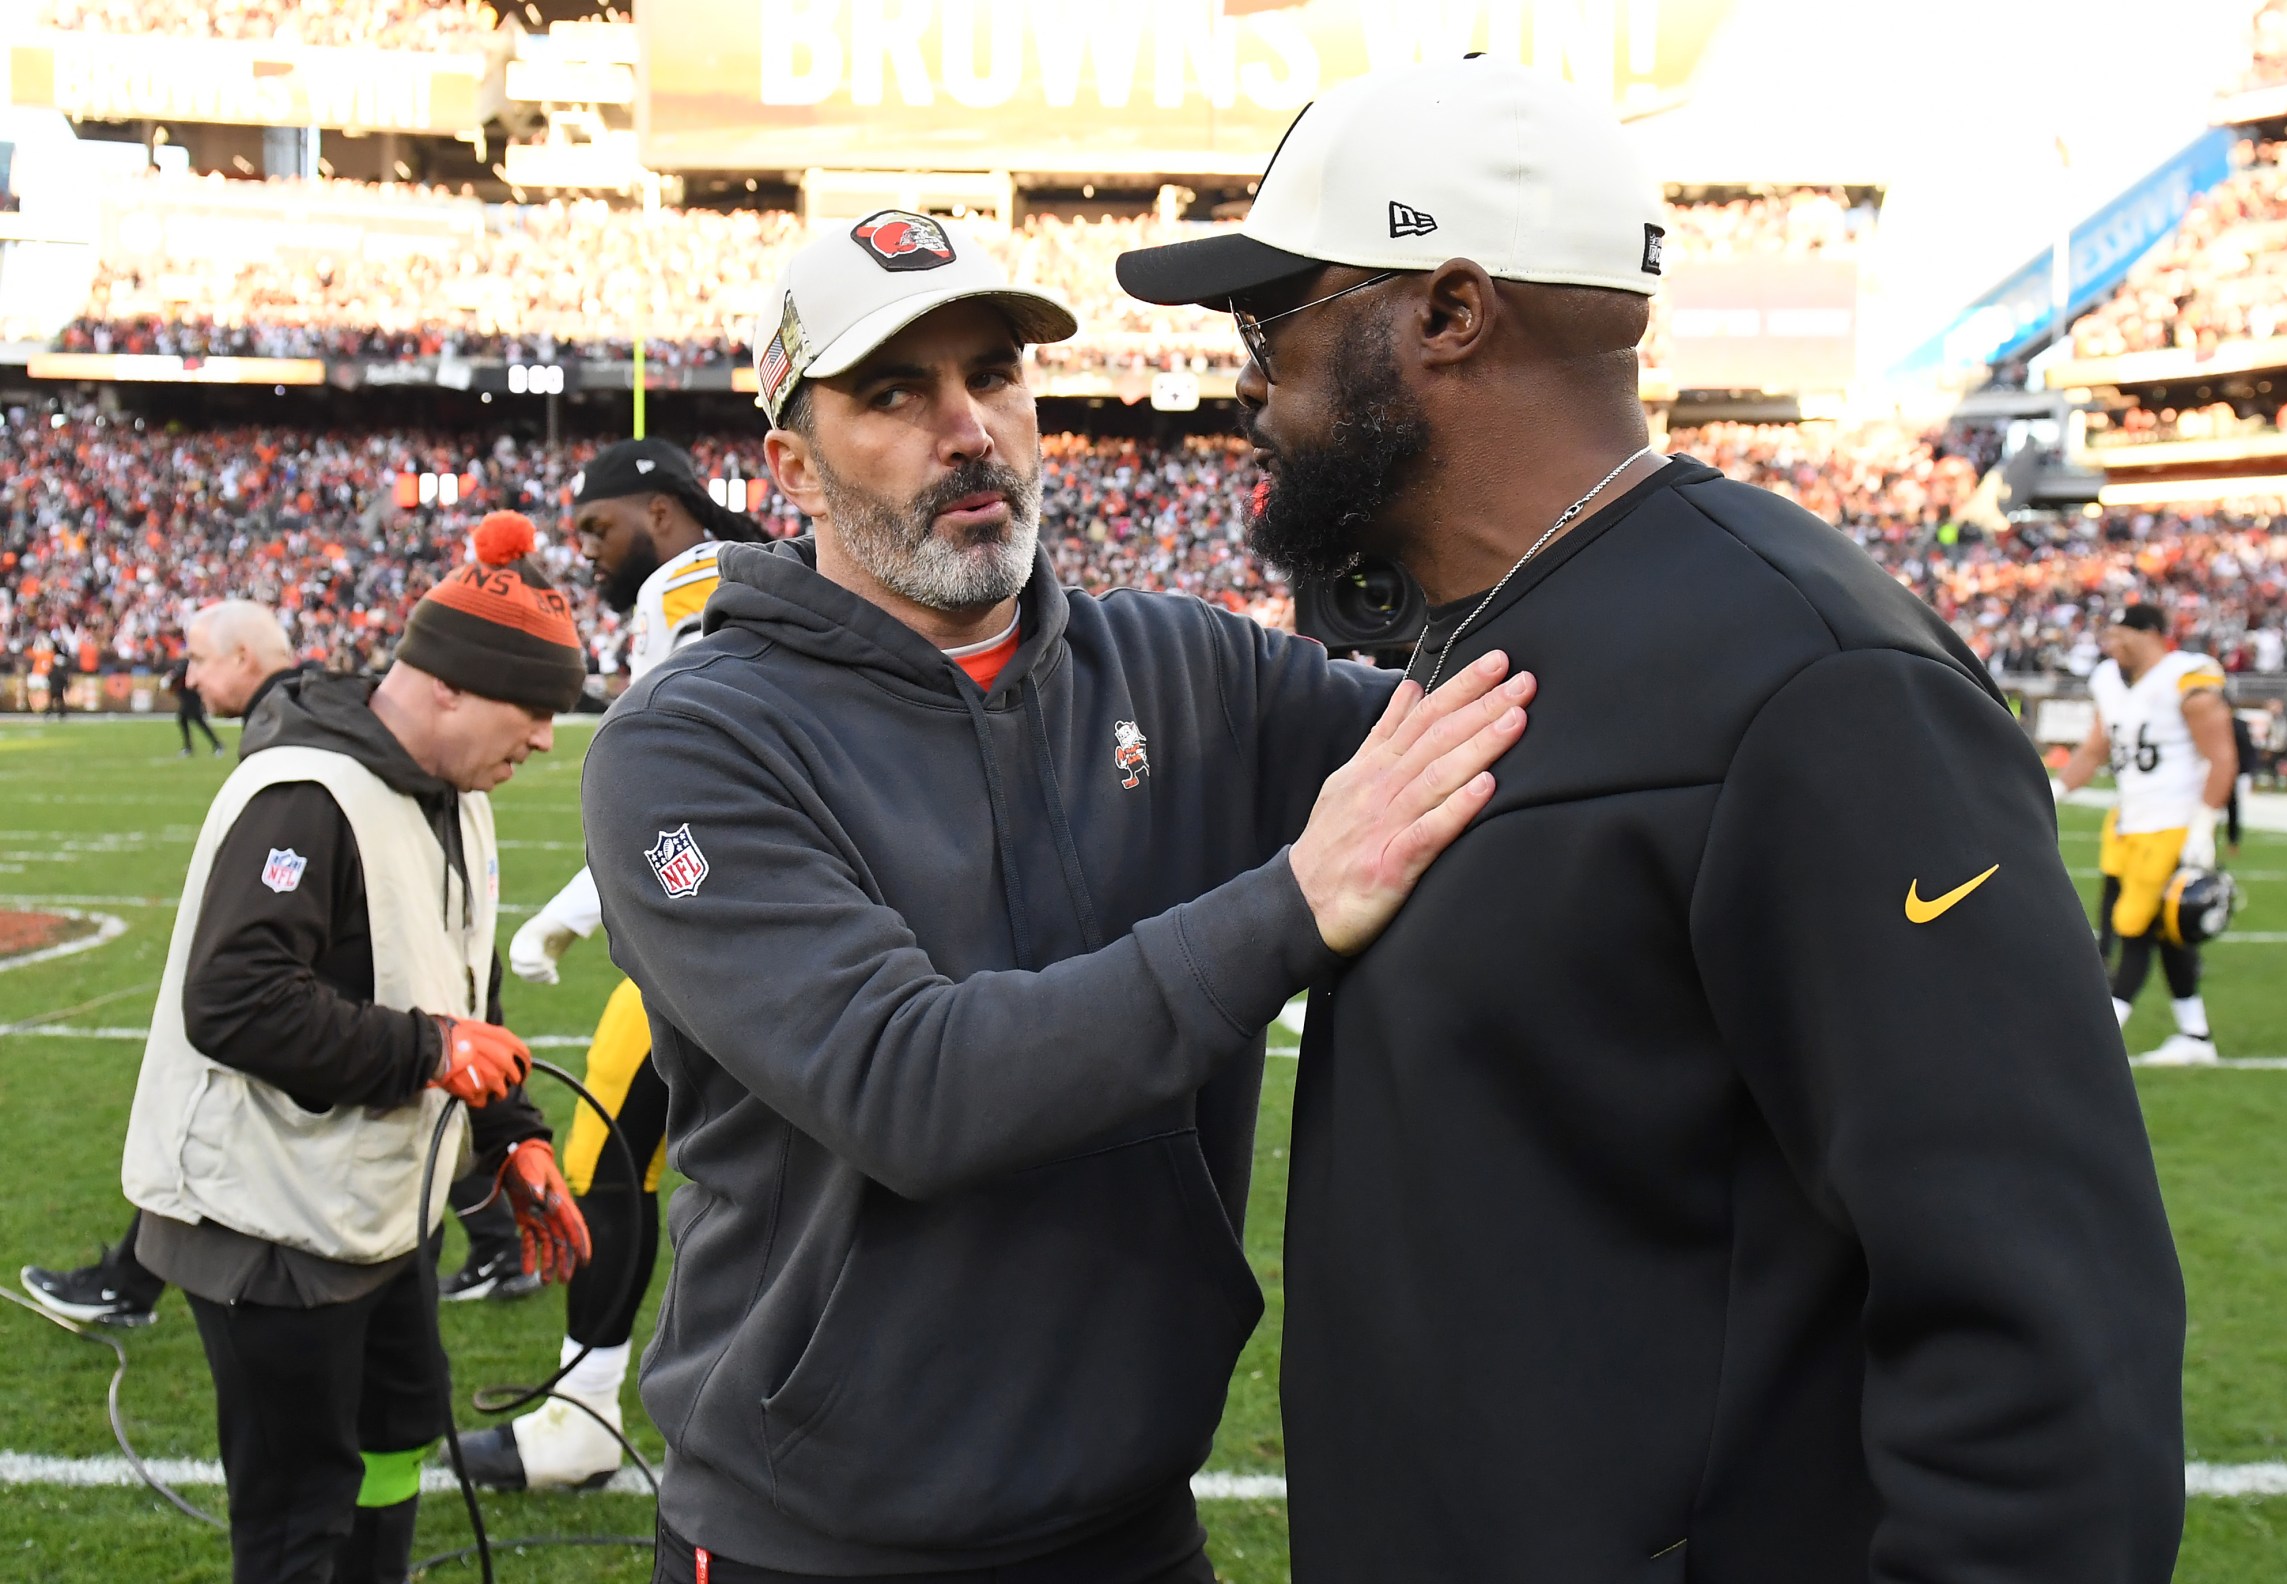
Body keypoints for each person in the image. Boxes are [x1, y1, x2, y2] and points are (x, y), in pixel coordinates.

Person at [1118, 58, 2186, 1584]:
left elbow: (2045, 1324)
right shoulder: (1494, 625)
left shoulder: (1814, 679)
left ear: (1449, 310)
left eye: (1273, 317)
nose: (1246, 378)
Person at [578, 215, 1531, 1582]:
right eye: (894, 393)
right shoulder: (693, 743)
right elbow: (913, 1087)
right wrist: (1296, 902)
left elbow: (1491, 743)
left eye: (993, 374)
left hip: (1131, 1523)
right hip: (823, 1544)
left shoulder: (1182, 667)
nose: (965, 428)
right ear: (790, 463)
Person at [117, 517, 594, 1584]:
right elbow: (234, 1000)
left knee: (393, 1449)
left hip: (376, 1213)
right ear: (449, 688)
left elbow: (462, 986)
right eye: (536, 710)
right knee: (300, 1512)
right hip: (267, 1223)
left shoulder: (455, 795)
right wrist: (430, 1050)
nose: (547, 740)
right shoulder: (306, 795)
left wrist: (510, 1138)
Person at [449, 439, 766, 1490]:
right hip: (796, 926)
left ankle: (580, 1420)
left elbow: (686, 787)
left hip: (723, 938)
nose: (583, 552)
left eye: (598, 527)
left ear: (669, 513)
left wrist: (576, 911)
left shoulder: (691, 582)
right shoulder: (783, 563)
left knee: (604, 1164)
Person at [22, 599, 297, 1328]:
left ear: (244, 658)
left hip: (299, 980)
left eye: (200, 659)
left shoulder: (297, 731)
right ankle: (129, 1282)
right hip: (312, 977)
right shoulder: (290, 720)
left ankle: (128, 1286)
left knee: (208, 1124)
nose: (188, 675)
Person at [2058, 603, 2238, 1064]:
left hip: (2172, 821)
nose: (2111, 644)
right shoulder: (2108, 680)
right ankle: (2196, 1036)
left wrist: (2203, 826)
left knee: (2133, 926)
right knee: (2164, 933)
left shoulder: (2188, 678)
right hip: (2128, 820)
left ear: (2150, 633)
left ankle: (2102, 1035)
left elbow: (2222, 758)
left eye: (2120, 634)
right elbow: (2096, 747)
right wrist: (2054, 789)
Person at [168, 656, 224, 757]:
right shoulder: (185, 663)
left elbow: (179, 675)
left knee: (190, 720)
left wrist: (171, 678)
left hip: (192, 698)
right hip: (188, 698)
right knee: (190, 720)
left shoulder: (188, 664)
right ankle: (213, 745)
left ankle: (215, 745)